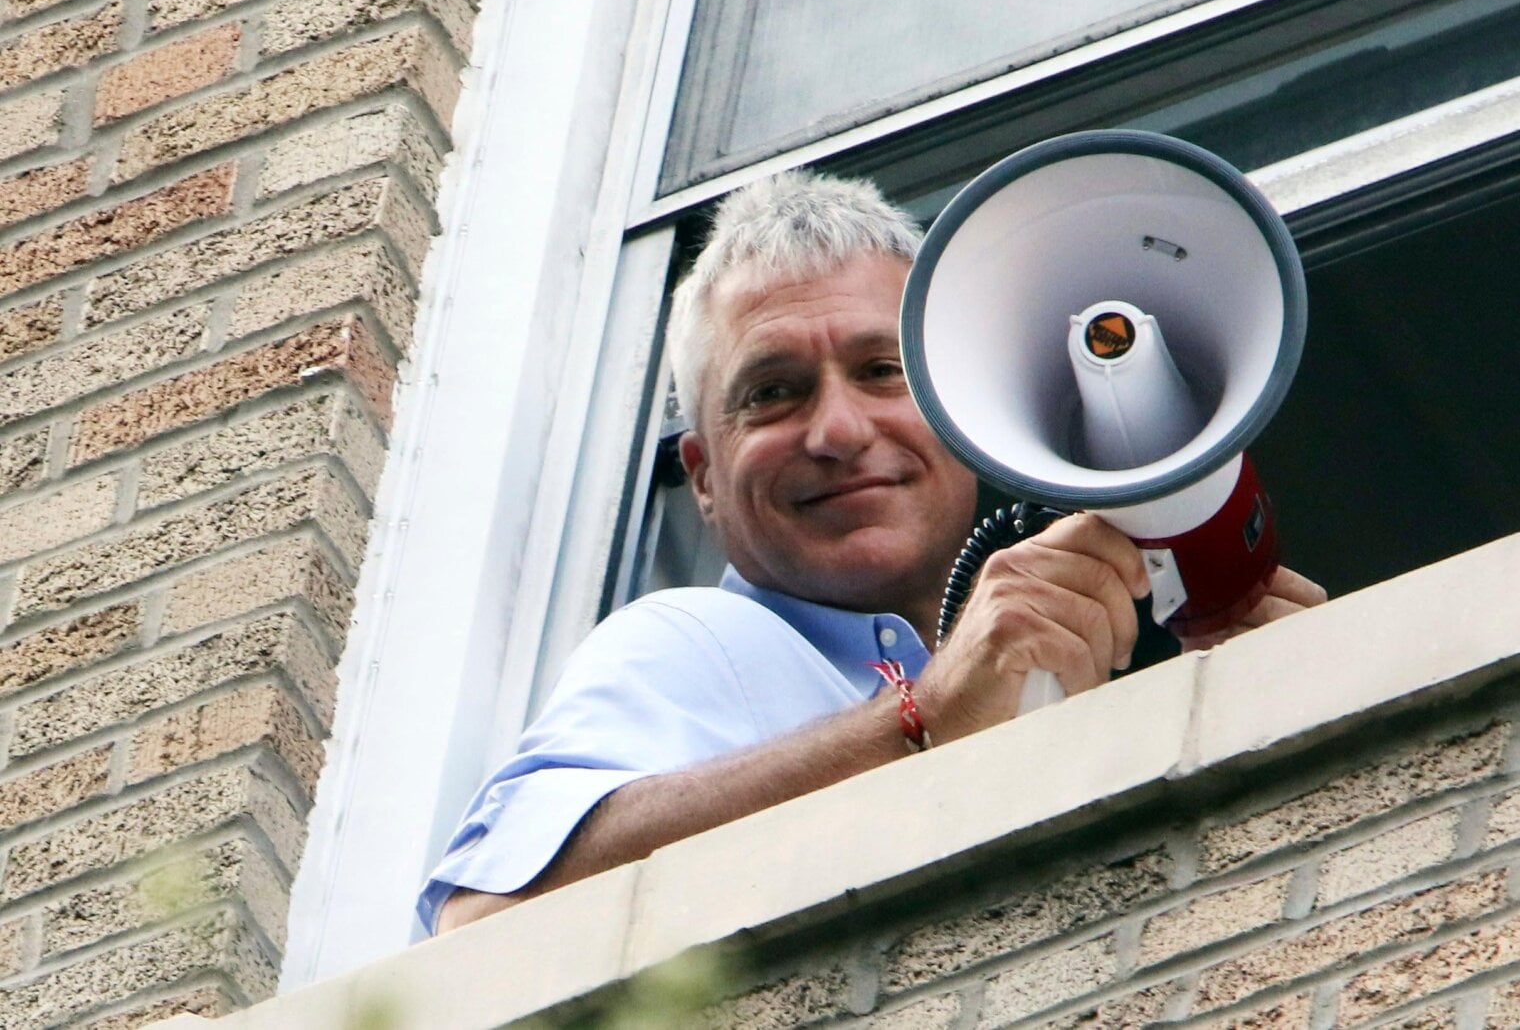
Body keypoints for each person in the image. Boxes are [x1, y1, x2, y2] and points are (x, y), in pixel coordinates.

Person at [422, 171, 1326, 933]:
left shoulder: (1041, 651)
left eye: (881, 370)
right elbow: (482, 921)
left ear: (959, 403)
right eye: (773, 392)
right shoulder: (690, 637)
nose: (840, 429)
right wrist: (919, 720)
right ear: (702, 476)